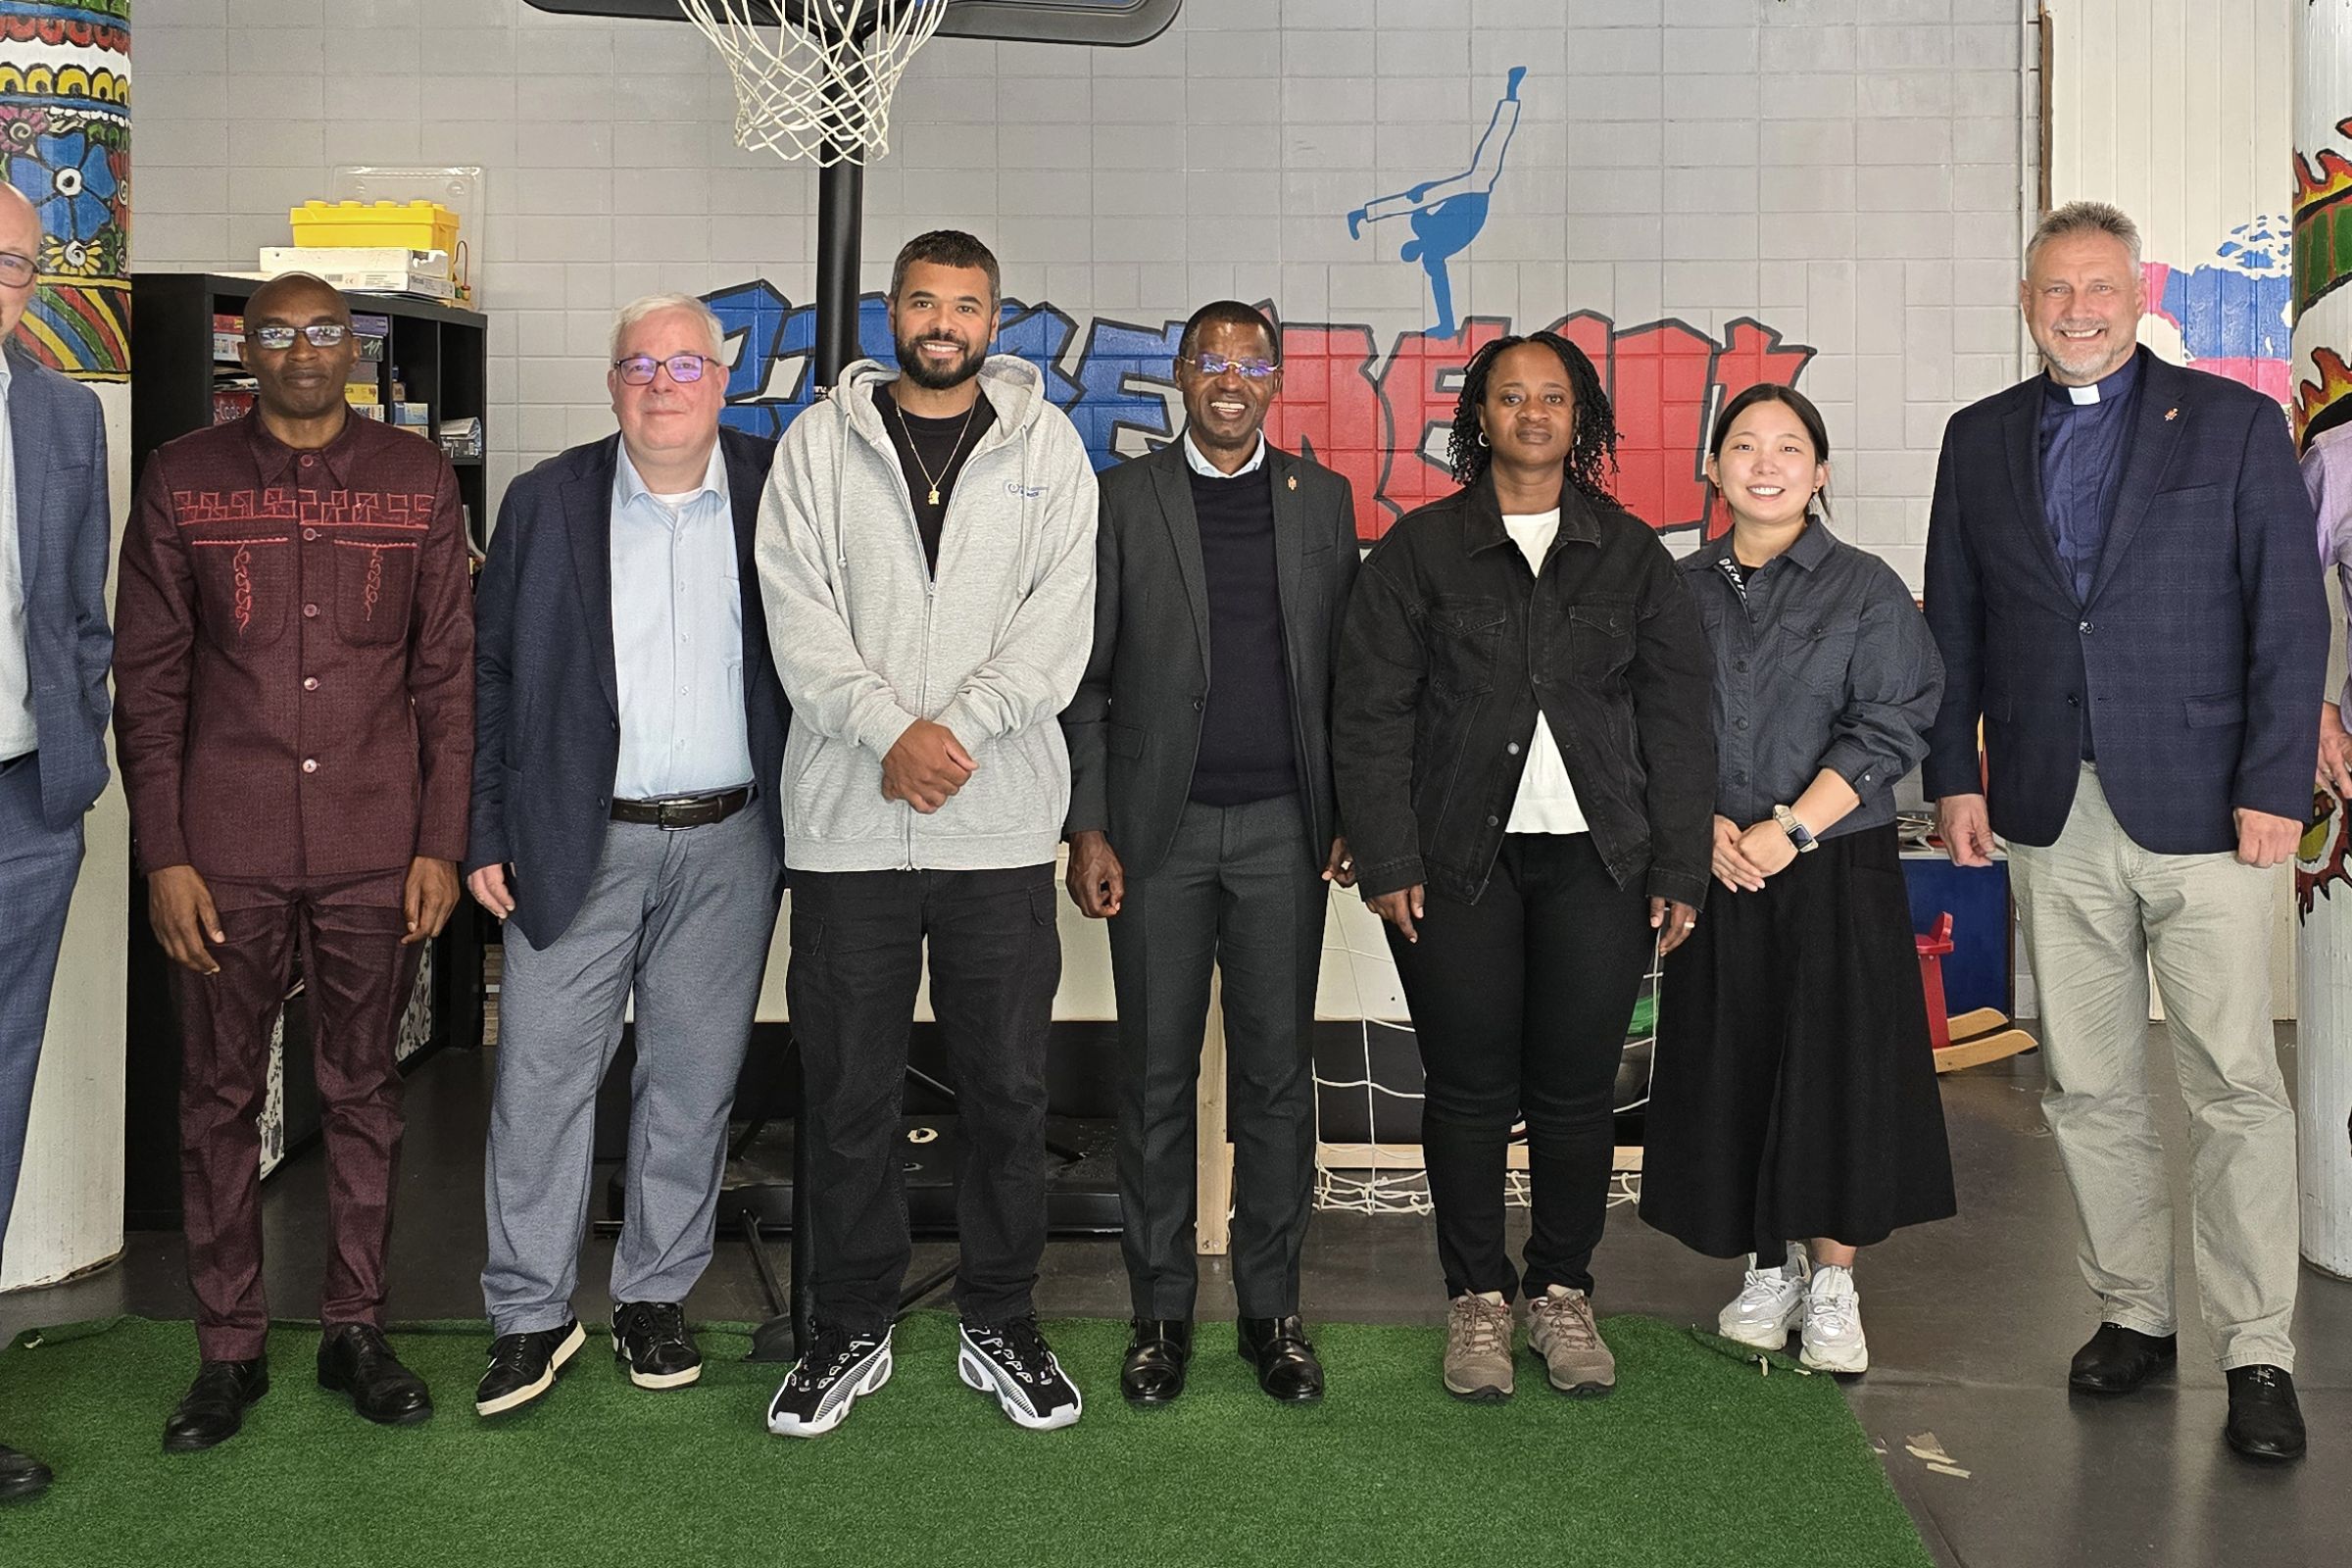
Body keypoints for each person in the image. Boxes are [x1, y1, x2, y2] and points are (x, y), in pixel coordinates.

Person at [1923, 201, 2327, 1463]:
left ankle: (2257, 1349)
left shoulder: (2234, 424)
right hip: (2052, 806)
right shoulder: (1979, 438)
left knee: (2233, 1085)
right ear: (2025, 301)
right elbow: (1953, 625)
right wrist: (1954, 778)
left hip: (2211, 808)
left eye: (2100, 287)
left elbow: (2289, 616)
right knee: (2089, 1082)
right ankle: (2134, 1314)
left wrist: (2276, 784)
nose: (2078, 310)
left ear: (2139, 293)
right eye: (2056, 290)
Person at [114, 272, 474, 1452]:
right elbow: (147, 683)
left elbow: (447, 680)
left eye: (324, 332)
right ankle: (228, 1347)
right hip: (225, 849)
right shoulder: (182, 478)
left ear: (355, 348)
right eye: (277, 333)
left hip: (378, 845)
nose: (303, 352)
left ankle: (354, 1329)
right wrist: (163, 854)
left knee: (365, 1092)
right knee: (218, 1096)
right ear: (248, 353)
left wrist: (440, 840)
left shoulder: (418, 479)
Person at [755, 231, 1098, 1438]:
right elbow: (797, 615)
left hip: (996, 828)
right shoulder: (816, 445)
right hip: (849, 828)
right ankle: (849, 1325)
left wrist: (957, 730)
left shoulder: (1049, 450)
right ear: (889, 312)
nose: (943, 322)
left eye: (965, 304)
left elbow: (1060, 623)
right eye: (922, 301)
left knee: (1007, 1092)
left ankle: (1000, 1319)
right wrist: (887, 732)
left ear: (995, 320)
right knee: (849, 1093)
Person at [1333, 330, 1713, 1402]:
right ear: (1480, 417)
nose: (1533, 414)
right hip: (1456, 863)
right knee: (1465, 1087)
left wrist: (1680, 864)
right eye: (1512, 397)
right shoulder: (1419, 552)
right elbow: (1370, 713)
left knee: (1576, 1090)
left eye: (1554, 397)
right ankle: (1476, 1300)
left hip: (1603, 863)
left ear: (1579, 419)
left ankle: (1561, 1290)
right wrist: (1388, 853)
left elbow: (1680, 722)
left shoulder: (1632, 556)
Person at [464, 294, 789, 1418]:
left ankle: (653, 1296)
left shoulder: (776, 489)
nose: (662, 384)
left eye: (685, 364)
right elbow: (489, 672)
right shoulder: (544, 500)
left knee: (691, 1083)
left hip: (733, 839)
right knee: (541, 1079)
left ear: (722, 382)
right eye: (639, 365)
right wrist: (483, 828)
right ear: (612, 385)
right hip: (575, 834)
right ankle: (529, 1313)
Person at [1062, 300, 1358, 1407]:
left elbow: (1350, 674)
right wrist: (1089, 824)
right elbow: (1086, 678)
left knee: (1278, 1081)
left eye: (1251, 363)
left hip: (1286, 828)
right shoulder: (1123, 499)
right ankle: (1160, 1317)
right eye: (1210, 360)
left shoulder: (1322, 499)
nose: (1230, 380)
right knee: (1154, 1077)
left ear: (1275, 382)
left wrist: (1353, 812)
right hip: (1158, 834)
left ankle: (1273, 1316)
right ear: (1181, 375)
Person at [1641, 384, 1954, 1375]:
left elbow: (1894, 719)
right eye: (1744, 445)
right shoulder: (1675, 589)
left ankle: (1833, 1282)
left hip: (1833, 864)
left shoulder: (1864, 587)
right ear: (1714, 468)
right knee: (1732, 1061)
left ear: (1819, 473)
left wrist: (1791, 827)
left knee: (1837, 1070)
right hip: (1717, 866)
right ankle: (1767, 1265)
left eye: (1788, 447)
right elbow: (1643, 721)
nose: (1765, 463)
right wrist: (1700, 825)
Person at [0, 182, 111, 1505]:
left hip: (25, 806)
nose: (6, 280)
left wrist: (78, 751)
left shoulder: (63, 413)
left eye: (22, 264)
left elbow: (80, 609)